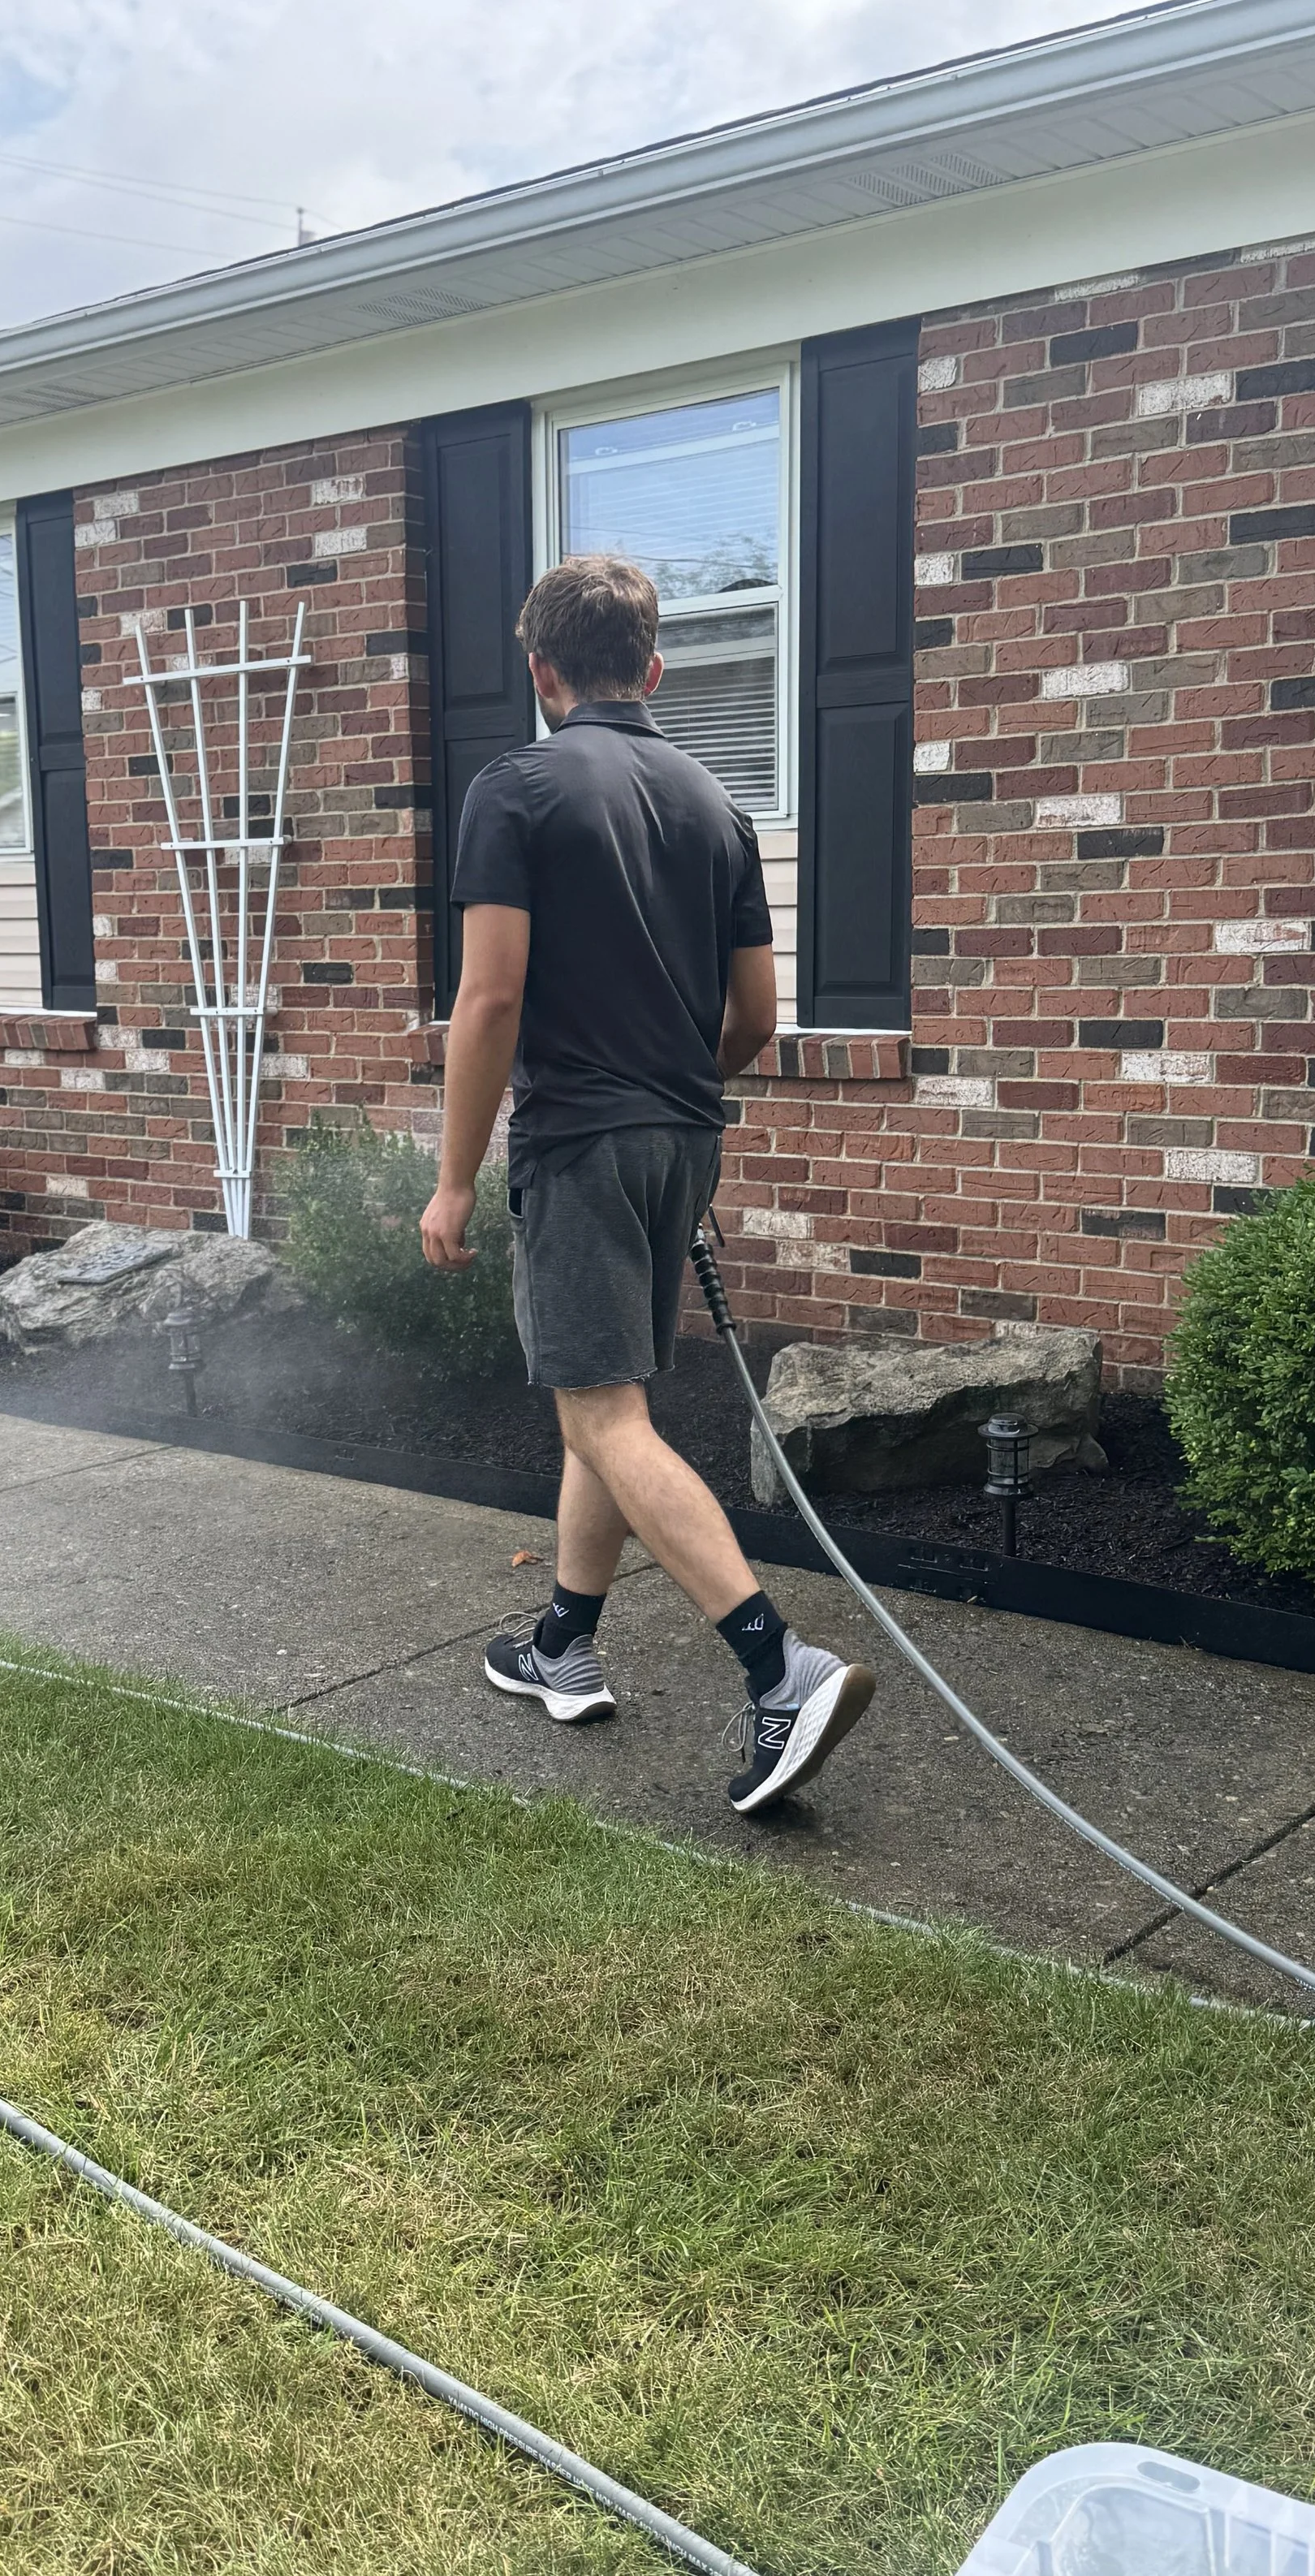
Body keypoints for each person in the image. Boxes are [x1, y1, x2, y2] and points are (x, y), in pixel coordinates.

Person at [419, 553, 873, 1815]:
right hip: (684, 1132)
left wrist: (455, 1180)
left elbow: (491, 997)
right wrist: (677, 1092)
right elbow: (758, 1017)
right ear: (656, 668)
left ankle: (780, 1668)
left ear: (541, 671)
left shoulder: (514, 787)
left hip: (579, 1138)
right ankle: (562, 1639)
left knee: (607, 1415)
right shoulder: (717, 805)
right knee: (597, 1397)